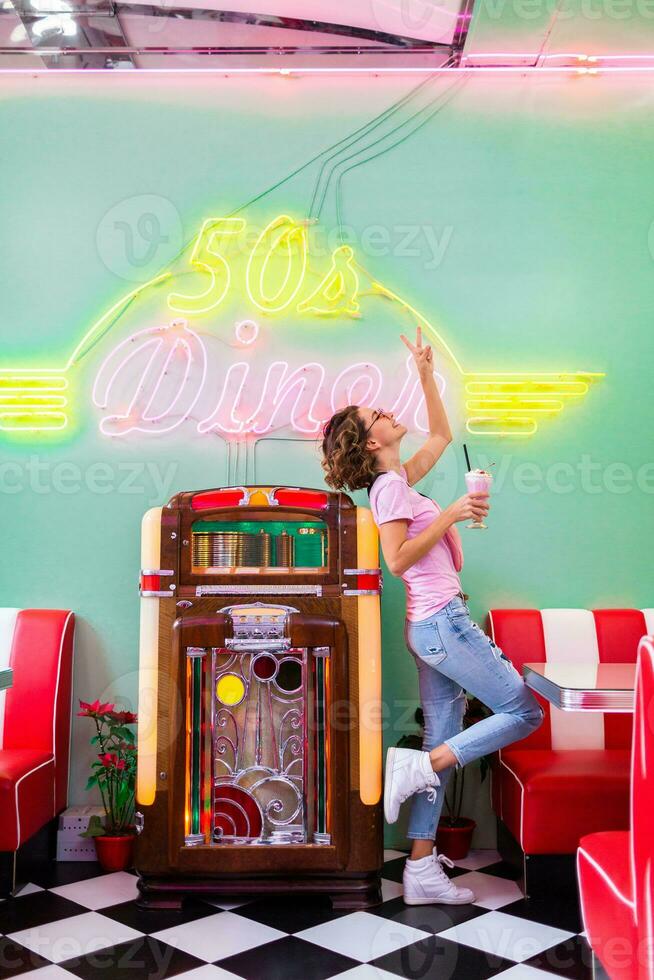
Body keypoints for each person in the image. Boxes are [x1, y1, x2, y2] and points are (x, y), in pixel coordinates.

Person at [320, 326, 544, 906]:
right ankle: (420, 767)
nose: (388, 411)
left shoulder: (398, 480)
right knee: (523, 711)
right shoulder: (390, 492)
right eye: (377, 414)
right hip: (443, 622)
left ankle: (420, 868)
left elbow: (442, 433)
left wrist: (424, 369)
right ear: (370, 443)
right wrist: (450, 515)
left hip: (434, 626)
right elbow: (395, 562)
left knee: (441, 733)